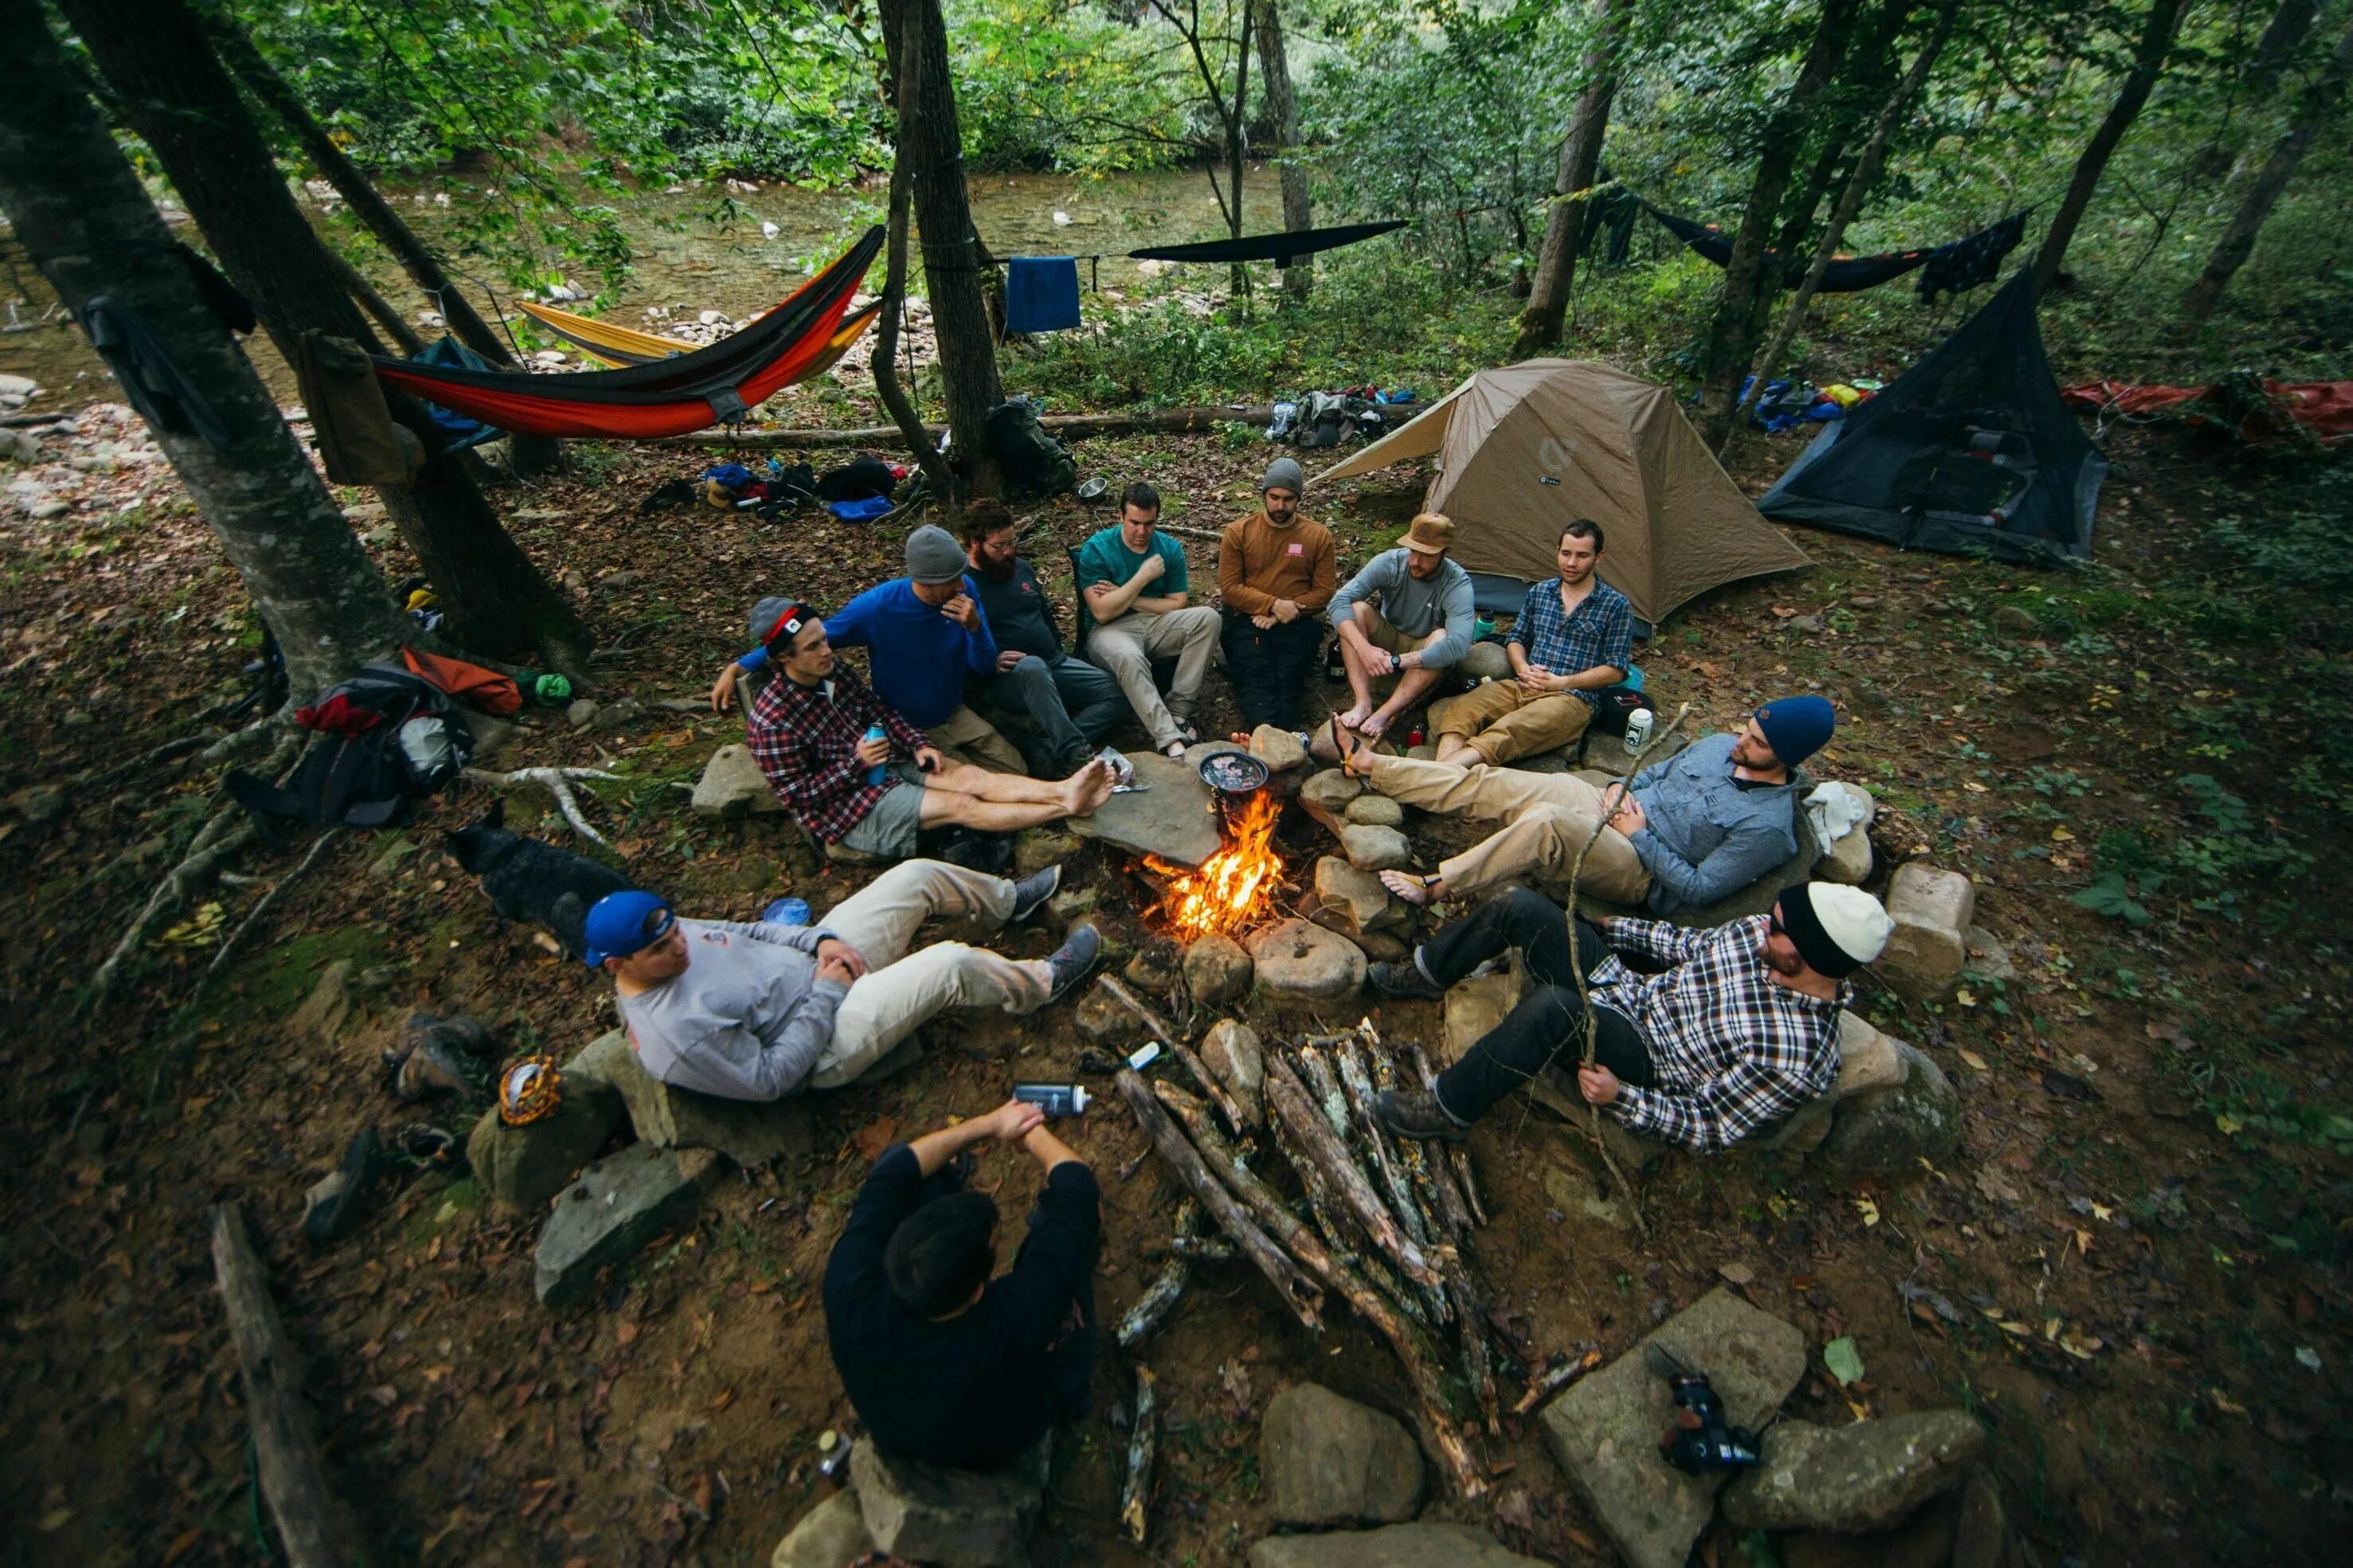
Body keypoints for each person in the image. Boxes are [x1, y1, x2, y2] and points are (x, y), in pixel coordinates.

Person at [1370, 881, 1892, 1154]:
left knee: (1554, 1011)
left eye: (1777, 930)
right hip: (1630, 988)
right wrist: (1618, 930)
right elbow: (1688, 943)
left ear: (1810, 956)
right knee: (1522, 906)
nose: (1761, 930)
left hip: (1645, 1058)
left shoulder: (1794, 1057)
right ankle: (1428, 972)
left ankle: (1449, 1109)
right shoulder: (1759, 935)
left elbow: (1711, 1126)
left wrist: (1624, 1098)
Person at [584, 866, 1101, 1100]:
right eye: (660, 950)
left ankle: (1007, 901)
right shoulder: (676, 1031)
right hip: (825, 1041)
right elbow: (771, 1078)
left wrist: (820, 940)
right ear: (617, 965)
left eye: (676, 933)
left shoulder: (668, 931)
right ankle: (1043, 983)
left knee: (913, 876)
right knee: (948, 963)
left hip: (825, 966)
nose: (679, 947)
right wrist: (828, 990)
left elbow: (748, 929)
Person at [1348, 695, 1836, 915]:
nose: (1740, 741)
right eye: (1747, 728)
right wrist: (1618, 791)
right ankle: (1373, 767)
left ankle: (1437, 885)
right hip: (1612, 803)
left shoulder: (1769, 828)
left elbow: (1701, 888)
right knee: (1492, 781)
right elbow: (1650, 771)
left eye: (1756, 742)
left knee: (1545, 824)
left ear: (1786, 757)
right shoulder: (1718, 746)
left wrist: (1638, 833)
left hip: (1638, 863)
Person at [824, 1099, 1098, 1470]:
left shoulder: (849, 1284)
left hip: (899, 1426)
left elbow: (894, 1170)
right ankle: (1069, 1398)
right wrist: (1029, 1130)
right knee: (1071, 1253)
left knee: (915, 1172)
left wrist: (990, 1124)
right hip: (992, 1440)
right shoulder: (1010, 1324)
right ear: (978, 1291)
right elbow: (1078, 1188)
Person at [745, 601, 1113, 861]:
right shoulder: (772, 721)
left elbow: (879, 711)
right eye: (813, 647)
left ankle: (1064, 790)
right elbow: (799, 796)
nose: (827, 650)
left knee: (971, 776)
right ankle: (1066, 806)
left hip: (886, 765)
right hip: (848, 806)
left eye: (825, 639)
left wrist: (917, 744)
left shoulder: (834, 672)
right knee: (962, 805)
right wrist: (856, 764)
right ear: (783, 659)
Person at [713, 525, 1025, 773]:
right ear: (924, 581)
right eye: (950, 580)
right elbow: (814, 636)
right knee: (985, 787)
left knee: (1018, 770)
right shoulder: (878, 608)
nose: (960, 586)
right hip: (911, 726)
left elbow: (984, 665)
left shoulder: (966, 593)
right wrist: (740, 666)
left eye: (960, 576)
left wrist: (975, 627)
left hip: (956, 712)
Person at [1426, 520, 1630, 766]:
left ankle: (1438, 776)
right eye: (1566, 553)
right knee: (1463, 709)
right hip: (1525, 684)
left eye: (1582, 555)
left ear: (1599, 557)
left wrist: (1562, 682)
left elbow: (1616, 670)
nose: (1572, 563)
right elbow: (1516, 639)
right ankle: (1442, 776)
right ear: (1558, 550)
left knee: (1512, 728)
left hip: (1572, 698)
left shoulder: (1616, 605)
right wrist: (1522, 668)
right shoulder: (1541, 592)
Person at [960, 500, 1130, 776]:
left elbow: (1043, 612)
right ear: (975, 544)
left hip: (1055, 663)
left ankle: (1049, 747)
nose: (1009, 551)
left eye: (1011, 542)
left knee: (1118, 692)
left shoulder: (1021, 568)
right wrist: (989, 661)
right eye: (1000, 546)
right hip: (1010, 678)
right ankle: (1076, 755)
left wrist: (1055, 646)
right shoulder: (964, 585)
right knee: (1033, 667)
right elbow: (954, 643)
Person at [1076, 483, 1221, 760]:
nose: (1141, 532)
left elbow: (1177, 603)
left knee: (1208, 618)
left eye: (1149, 524)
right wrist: (1143, 576)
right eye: (1134, 523)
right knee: (1129, 656)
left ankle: (1178, 712)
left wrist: (1123, 595)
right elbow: (1102, 612)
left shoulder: (1168, 548)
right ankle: (1169, 738)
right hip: (1108, 630)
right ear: (1120, 517)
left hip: (1155, 622)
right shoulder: (1096, 549)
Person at [1326, 511, 1476, 739]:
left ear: (1445, 553)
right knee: (1356, 610)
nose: (1416, 561)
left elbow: (1459, 644)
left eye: (1426, 555)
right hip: (1389, 634)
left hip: (1423, 645)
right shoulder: (1390, 563)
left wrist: (1396, 662)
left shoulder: (1457, 582)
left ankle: (1385, 711)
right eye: (1413, 551)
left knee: (1442, 637)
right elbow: (1338, 601)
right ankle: (1363, 702)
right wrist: (1364, 650)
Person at [1218, 456, 1336, 731]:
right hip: (1247, 619)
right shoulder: (1239, 532)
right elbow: (1230, 588)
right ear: (1264, 494)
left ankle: (1284, 737)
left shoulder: (1318, 537)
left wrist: (1286, 611)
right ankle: (1263, 732)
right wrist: (1271, 605)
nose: (1280, 506)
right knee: (1255, 672)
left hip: (1296, 621)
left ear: (1299, 499)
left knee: (1289, 675)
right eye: (1274, 497)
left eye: (1288, 499)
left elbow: (1323, 591)